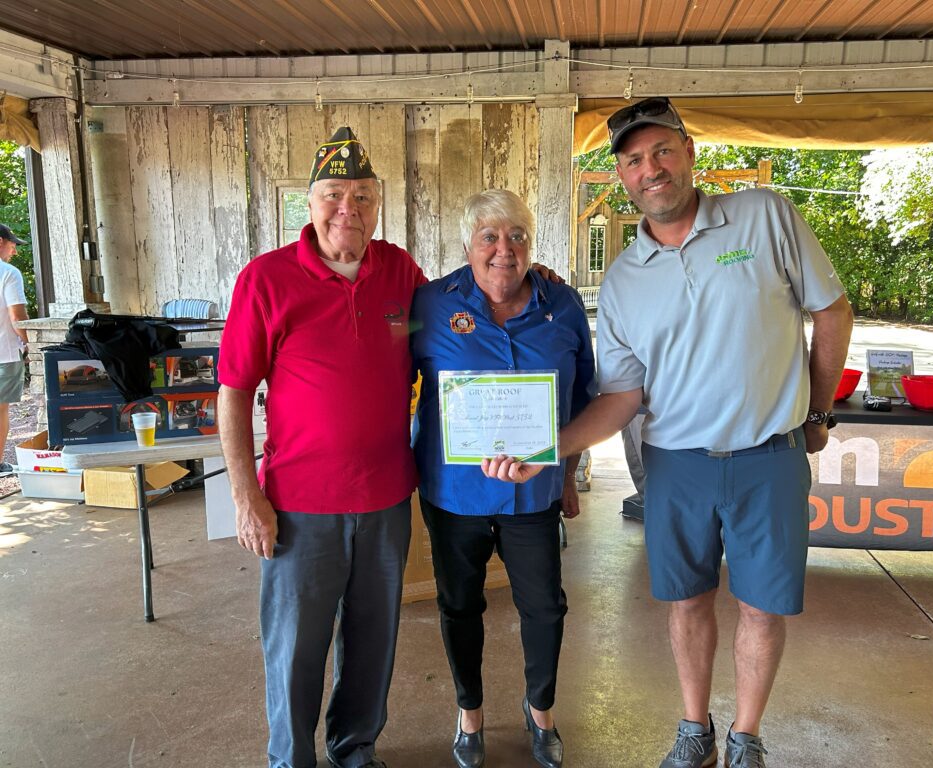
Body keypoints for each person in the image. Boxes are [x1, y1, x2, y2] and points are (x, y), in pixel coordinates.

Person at [484, 97, 854, 768]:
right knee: (685, 604)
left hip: (770, 455)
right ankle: (695, 730)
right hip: (675, 464)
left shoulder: (764, 215)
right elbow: (624, 396)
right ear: (621, 176)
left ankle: (745, 735)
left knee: (763, 608)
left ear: (689, 154)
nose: (649, 168)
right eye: (632, 160)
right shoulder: (625, 278)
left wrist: (818, 413)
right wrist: (547, 450)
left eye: (661, 152)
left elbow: (832, 313)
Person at [218, 127, 425, 768]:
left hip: (387, 496)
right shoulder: (267, 279)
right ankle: (291, 759)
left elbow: (462, 313)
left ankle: (354, 748)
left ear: (378, 204)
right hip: (299, 504)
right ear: (309, 204)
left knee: (372, 641)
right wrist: (246, 496)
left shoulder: (400, 271)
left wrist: (530, 275)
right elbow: (232, 393)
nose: (349, 209)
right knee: (296, 647)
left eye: (363, 196)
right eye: (334, 194)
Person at [411, 189, 594, 768]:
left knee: (545, 607)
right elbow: (382, 377)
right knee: (459, 606)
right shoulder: (431, 304)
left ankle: (540, 712)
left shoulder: (560, 304)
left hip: (533, 494)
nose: (503, 249)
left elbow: (584, 395)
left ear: (531, 244)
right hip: (455, 494)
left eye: (516, 235)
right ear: (467, 244)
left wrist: (567, 474)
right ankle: (470, 715)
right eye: (489, 236)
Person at [0, 224, 29, 476]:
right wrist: (28, 343)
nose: (15, 252)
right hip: (4, 353)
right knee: (0, 409)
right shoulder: (8, 273)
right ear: (0, 242)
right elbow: (16, 315)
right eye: (12, 245)